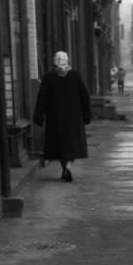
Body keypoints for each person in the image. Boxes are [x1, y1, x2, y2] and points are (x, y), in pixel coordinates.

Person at [33, 50, 91, 182]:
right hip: (74, 117)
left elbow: (42, 98)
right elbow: (84, 96)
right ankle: (69, 166)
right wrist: (87, 115)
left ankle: (64, 167)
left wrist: (39, 116)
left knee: (59, 146)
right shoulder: (75, 75)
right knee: (73, 145)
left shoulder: (48, 77)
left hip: (55, 118)